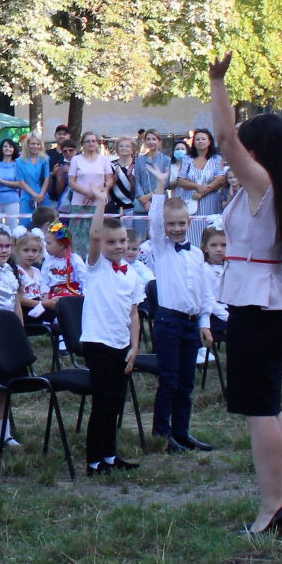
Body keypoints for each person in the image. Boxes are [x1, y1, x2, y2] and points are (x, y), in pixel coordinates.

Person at [208, 53, 282, 537]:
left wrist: (217, 82)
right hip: (269, 299)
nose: (238, 155)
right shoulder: (281, 184)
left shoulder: (263, 183)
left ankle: (273, 506)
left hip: (260, 303)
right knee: (268, 405)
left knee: (260, 408)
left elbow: (225, 140)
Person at [138, 199, 217, 453]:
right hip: (168, 321)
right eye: (170, 224)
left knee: (186, 382)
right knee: (169, 380)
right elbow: (154, 222)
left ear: (189, 223)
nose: (176, 228)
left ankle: (182, 432)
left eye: (181, 223)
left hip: (190, 324)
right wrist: (160, 190)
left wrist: (204, 322)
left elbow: (204, 292)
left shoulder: (196, 254)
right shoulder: (161, 248)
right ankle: (162, 433)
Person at [77, 205, 140, 475]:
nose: (118, 246)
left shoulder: (132, 273)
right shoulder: (96, 266)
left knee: (116, 402)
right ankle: (94, 461)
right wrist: (101, 202)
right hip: (98, 342)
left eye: (122, 241)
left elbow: (134, 313)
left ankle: (110, 455)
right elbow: (94, 234)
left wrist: (134, 346)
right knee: (102, 403)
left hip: (121, 344)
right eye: (111, 242)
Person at [171, 130, 228, 243]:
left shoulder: (216, 158)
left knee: (209, 231)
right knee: (191, 232)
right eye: (197, 139)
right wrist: (197, 187)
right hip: (191, 200)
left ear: (209, 141)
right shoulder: (187, 158)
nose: (200, 141)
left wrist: (203, 191)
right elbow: (180, 180)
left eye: (203, 139)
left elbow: (221, 179)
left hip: (210, 200)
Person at [64, 132, 111, 251]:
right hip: (79, 203)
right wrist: (87, 193)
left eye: (93, 141)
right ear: (82, 144)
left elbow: (109, 180)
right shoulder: (76, 159)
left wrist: (94, 193)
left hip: (98, 204)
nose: (91, 143)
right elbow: (71, 182)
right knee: (78, 238)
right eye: (88, 141)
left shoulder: (104, 159)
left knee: (96, 237)